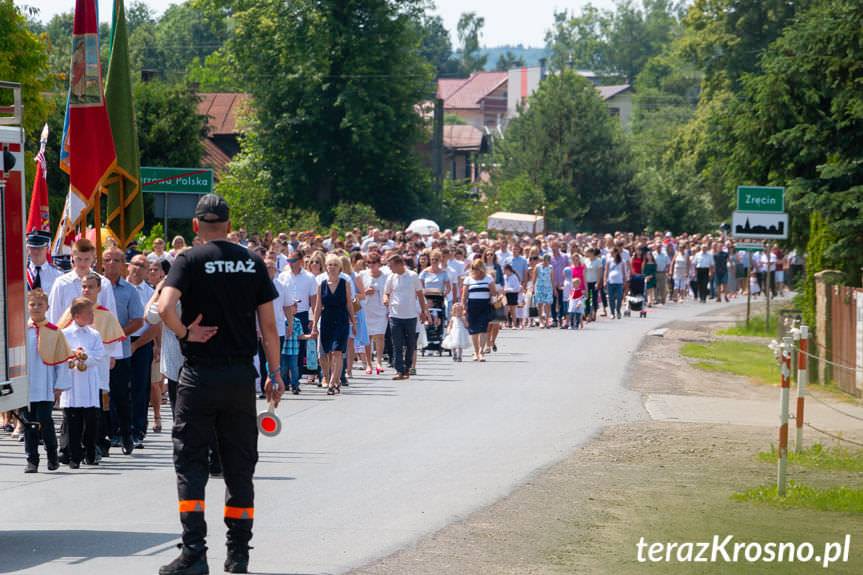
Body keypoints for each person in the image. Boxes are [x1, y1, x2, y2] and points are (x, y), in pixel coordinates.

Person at [157, 194, 283, 575]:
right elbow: (270, 326)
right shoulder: (252, 262)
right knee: (239, 465)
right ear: (229, 225)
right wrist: (274, 374)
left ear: (195, 226)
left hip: (200, 375)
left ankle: (194, 552)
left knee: (191, 463)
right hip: (240, 378)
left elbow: (164, 307)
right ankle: (238, 553)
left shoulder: (189, 259)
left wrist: (185, 334)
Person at [102, 248, 146, 452]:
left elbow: (138, 320)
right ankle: (101, 437)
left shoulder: (129, 290)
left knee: (120, 395)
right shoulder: (94, 287)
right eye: (107, 259)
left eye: (116, 260)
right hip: (97, 350)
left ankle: (126, 434)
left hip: (121, 349)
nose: (111, 263)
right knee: (98, 396)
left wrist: (117, 333)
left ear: (123, 265)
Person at [23, 288, 71, 473]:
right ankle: (31, 459)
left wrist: (59, 385)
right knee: (28, 422)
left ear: (47, 307)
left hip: (45, 385)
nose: (36, 308)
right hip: (26, 385)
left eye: (40, 305)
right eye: (32, 304)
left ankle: (52, 455)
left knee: (45, 420)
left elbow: (61, 361)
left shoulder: (54, 331)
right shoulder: (20, 330)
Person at [58, 297, 107, 469]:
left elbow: (100, 354)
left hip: (88, 381)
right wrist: (73, 355)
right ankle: (74, 456)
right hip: (72, 382)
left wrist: (85, 357)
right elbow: (62, 354)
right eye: (88, 313)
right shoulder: (65, 334)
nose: (92, 315)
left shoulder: (94, 334)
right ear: (77, 315)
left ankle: (91, 453)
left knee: (91, 421)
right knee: (73, 422)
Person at [310, 254, 355, 395]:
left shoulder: (345, 283)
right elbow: (318, 306)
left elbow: (349, 304)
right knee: (328, 352)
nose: (332, 267)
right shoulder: (321, 285)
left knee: (337, 352)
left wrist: (353, 322)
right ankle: (335, 381)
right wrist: (314, 324)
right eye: (330, 265)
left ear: (340, 268)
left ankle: (331, 383)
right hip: (327, 320)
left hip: (341, 319)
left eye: (335, 265)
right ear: (326, 267)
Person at [48, 238, 117, 324]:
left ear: (93, 258)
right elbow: (54, 314)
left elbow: (110, 314)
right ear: (72, 257)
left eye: (87, 259)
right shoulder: (61, 283)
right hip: (67, 334)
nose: (82, 263)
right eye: (79, 259)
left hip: (96, 333)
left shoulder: (104, 283)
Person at [383, 254, 429, 380]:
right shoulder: (391, 277)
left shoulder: (412, 276)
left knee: (410, 344)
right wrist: (386, 300)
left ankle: (407, 368)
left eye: (391, 266)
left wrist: (424, 312)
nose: (390, 268)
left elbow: (420, 295)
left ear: (399, 264)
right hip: (395, 315)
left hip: (410, 315)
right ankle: (399, 370)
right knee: (396, 344)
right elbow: (386, 293)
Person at [461, 259, 497, 362]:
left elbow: (494, 293)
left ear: (481, 268)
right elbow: (464, 295)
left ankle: (481, 352)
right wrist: (464, 307)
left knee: (483, 328)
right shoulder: (468, 279)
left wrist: (492, 293)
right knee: (474, 330)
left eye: (476, 268)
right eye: (473, 268)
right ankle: (476, 352)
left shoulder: (488, 278)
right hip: (472, 305)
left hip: (485, 305)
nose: (474, 270)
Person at [359, 253, 389, 374]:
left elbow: (389, 292)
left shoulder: (386, 276)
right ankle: (368, 363)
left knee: (380, 336)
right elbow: (357, 293)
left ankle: (379, 362)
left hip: (381, 309)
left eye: (374, 262)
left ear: (378, 263)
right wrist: (365, 292)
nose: (371, 265)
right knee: (368, 337)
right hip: (366, 309)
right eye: (369, 263)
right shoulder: (362, 275)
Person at [26, 230, 63, 296]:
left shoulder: (58, 275)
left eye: (40, 248)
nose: (36, 252)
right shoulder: (22, 274)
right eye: (32, 248)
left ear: (47, 248)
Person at [533, 254, 554, 327]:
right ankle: (541, 321)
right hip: (539, 287)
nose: (547, 262)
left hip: (548, 287)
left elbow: (552, 279)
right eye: (546, 260)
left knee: (548, 304)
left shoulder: (551, 267)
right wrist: (532, 287)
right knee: (540, 304)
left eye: (548, 260)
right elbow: (534, 278)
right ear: (543, 260)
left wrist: (554, 289)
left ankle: (547, 321)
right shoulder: (538, 266)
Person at [604, 248, 626, 319]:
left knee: (619, 297)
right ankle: (612, 312)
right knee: (611, 298)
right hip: (610, 281)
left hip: (619, 282)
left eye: (613, 252)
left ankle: (618, 310)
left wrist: (624, 281)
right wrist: (605, 280)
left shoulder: (622, 261)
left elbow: (623, 272)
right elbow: (606, 271)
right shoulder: (609, 261)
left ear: (616, 253)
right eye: (611, 253)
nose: (611, 254)